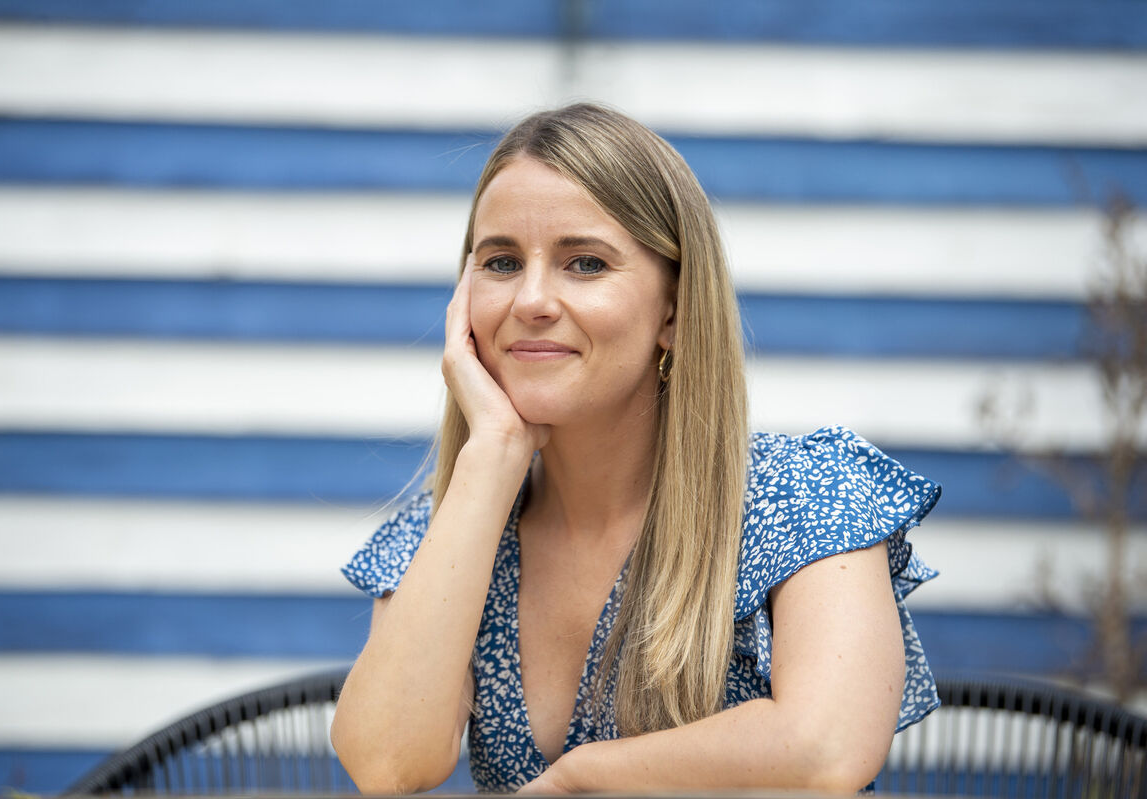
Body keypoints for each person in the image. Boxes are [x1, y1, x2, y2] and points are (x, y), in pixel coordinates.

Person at [331, 103, 941, 794]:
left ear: (673, 311)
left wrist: (579, 780)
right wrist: (490, 454)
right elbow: (385, 763)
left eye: (585, 263)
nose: (531, 300)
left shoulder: (804, 496)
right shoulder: (452, 527)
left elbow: (825, 749)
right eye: (501, 262)